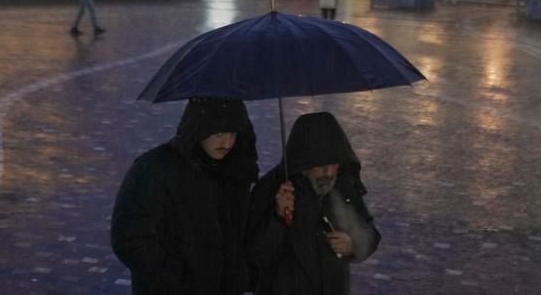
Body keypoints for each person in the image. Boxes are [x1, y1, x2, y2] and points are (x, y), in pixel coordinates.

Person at [111, 98, 259, 294]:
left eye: (233, 133)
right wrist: (177, 277)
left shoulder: (235, 171)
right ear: (199, 128)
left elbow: (241, 234)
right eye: (219, 133)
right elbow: (129, 238)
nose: (227, 142)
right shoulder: (155, 169)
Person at [248, 112, 380, 295]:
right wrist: (277, 218)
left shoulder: (342, 188)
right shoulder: (271, 188)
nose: (328, 172)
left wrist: (352, 244)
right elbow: (256, 256)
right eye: (319, 165)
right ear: (304, 162)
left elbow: (370, 234)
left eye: (333, 163)